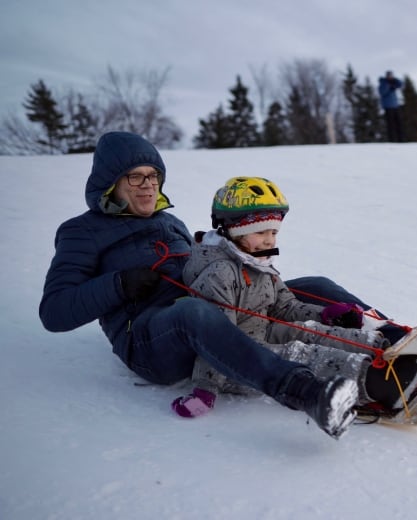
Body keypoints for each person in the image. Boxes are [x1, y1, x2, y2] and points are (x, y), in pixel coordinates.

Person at [38, 131, 359, 440]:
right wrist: (120, 284)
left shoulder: (169, 222)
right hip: (153, 340)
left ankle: (392, 339)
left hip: (208, 312)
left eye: (154, 176)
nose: (148, 186)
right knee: (193, 311)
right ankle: (307, 393)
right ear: (111, 183)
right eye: (135, 177)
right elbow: (54, 312)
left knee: (313, 285)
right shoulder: (81, 232)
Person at [176, 176, 417, 416]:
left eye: (273, 232)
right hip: (239, 363)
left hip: (262, 333)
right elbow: (217, 341)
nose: (268, 240)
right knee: (299, 353)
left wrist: (325, 315)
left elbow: (285, 307)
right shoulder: (219, 274)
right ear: (233, 230)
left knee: (309, 332)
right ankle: (381, 383)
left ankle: (390, 353)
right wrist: (204, 389)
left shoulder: (258, 262)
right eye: (261, 232)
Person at [378, 70, 404, 143]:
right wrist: (389, 85)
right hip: (388, 107)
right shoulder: (383, 83)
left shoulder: (394, 82)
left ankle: (401, 140)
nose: (390, 77)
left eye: (391, 76)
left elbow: (400, 84)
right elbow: (382, 92)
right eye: (389, 76)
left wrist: (394, 80)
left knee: (399, 123)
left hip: (396, 106)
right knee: (390, 125)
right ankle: (392, 140)